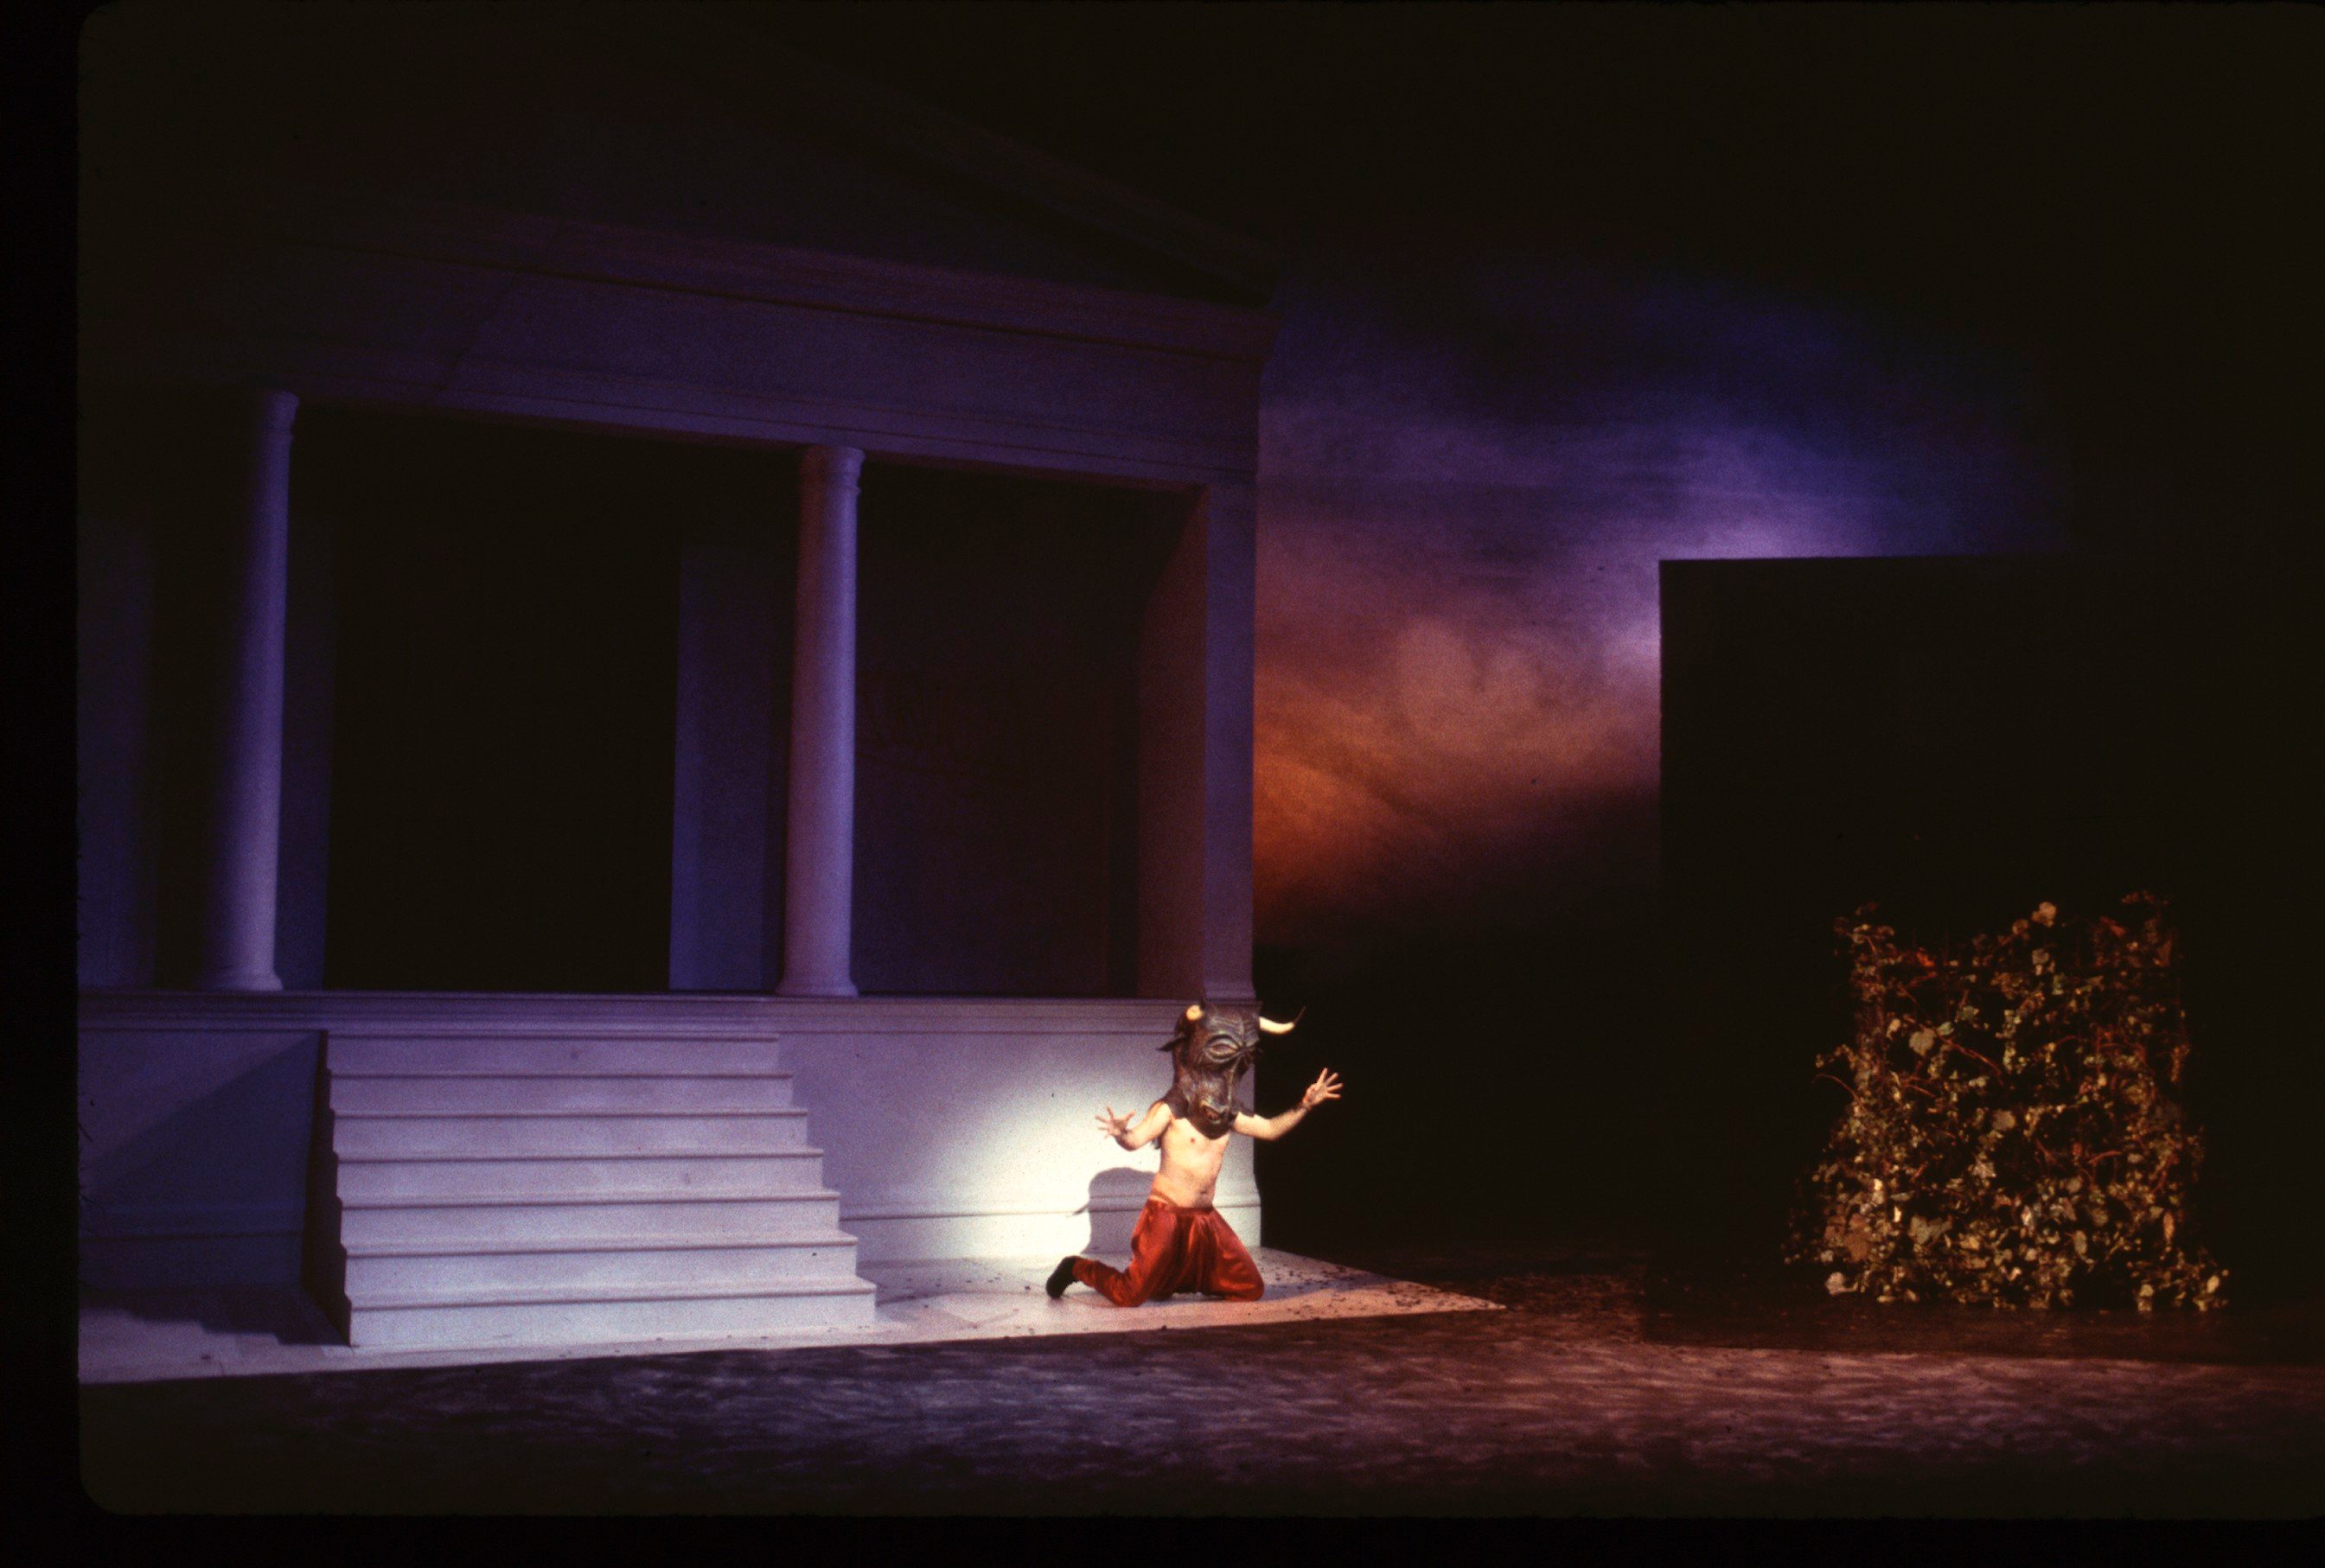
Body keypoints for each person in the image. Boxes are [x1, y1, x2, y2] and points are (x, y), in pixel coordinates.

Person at [1045, 1002, 1342, 1305]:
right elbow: (1135, 1140)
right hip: (1166, 1215)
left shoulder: (1227, 1112)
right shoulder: (1172, 1107)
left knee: (1250, 1287)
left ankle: (1171, 1278)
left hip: (1204, 1219)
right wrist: (1122, 1133)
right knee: (1129, 1294)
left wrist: (1305, 1105)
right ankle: (1076, 1267)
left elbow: (1270, 1130)